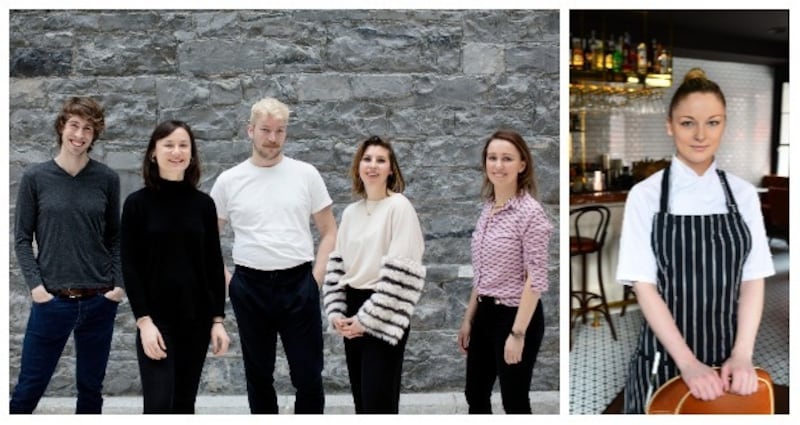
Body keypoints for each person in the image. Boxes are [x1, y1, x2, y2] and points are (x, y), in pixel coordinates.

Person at [617, 68, 775, 414]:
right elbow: (644, 287)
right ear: (670, 125)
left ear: (725, 125)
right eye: (688, 123)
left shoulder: (744, 194)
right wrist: (687, 363)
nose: (701, 135)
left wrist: (743, 354)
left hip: (730, 360)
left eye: (713, 122)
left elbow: (753, 278)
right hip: (665, 358)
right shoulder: (645, 196)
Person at [210, 97, 337, 414]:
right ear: (249, 130)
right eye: (265, 130)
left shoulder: (305, 174)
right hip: (249, 286)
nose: (272, 138)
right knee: (258, 375)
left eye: (280, 131)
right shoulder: (229, 180)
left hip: (299, 283)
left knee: (308, 375)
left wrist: (315, 280)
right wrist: (231, 283)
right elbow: (206, 239)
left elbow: (330, 231)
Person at [11, 97, 125, 414]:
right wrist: (37, 288)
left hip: (99, 299)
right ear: (63, 127)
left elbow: (115, 238)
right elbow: (21, 239)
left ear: (94, 135)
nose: (80, 134)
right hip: (53, 300)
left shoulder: (106, 179)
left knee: (91, 391)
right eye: (74, 125)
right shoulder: (36, 178)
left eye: (88, 128)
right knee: (28, 389)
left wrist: (117, 287)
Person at [121, 120, 230, 413]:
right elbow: (129, 266)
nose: (176, 151)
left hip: (195, 321)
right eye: (168, 144)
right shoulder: (136, 204)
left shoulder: (204, 205)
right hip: (156, 321)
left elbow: (212, 264)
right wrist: (143, 321)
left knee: (183, 405)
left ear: (192, 154)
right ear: (154, 153)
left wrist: (217, 320)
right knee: (158, 405)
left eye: (183, 145)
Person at [322, 136, 426, 414]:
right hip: (352, 308)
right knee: (361, 401)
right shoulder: (351, 212)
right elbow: (336, 267)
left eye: (381, 160)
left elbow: (402, 276)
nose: (373, 165)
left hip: (385, 312)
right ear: (358, 166)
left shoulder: (399, 206)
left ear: (391, 169)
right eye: (367, 159)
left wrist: (366, 320)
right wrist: (336, 314)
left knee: (378, 402)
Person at [457, 129, 553, 414]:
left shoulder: (530, 213)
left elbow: (535, 279)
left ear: (522, 165)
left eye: (507, 158)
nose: (498, 165)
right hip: (484, 314)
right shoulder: (488, 209)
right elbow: (483, 273)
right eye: (492, 158)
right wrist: (468, 319)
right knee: (475, 394)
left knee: (514, 400)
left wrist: (518, 334)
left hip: (516, 317)